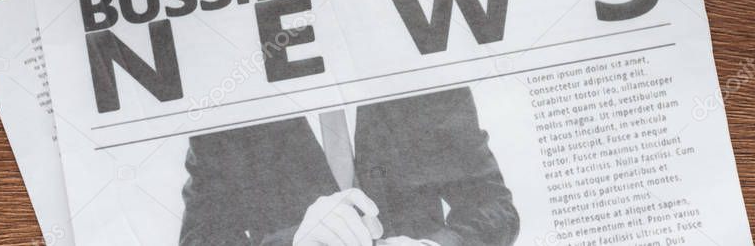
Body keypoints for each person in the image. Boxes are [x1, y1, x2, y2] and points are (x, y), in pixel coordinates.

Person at [179, 87, 519, 246]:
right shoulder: (224, 110)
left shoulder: (424, 72)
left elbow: (495, 207)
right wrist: (294, 241)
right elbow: (201, 238)